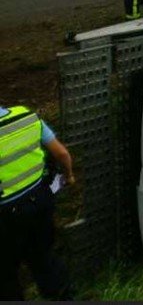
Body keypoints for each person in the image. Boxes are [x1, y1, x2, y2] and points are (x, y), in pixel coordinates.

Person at [0, 104, 75, 300]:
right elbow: (62, 154)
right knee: (44, 258)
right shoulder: (26, 117)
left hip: (6, 217)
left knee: (5, 274)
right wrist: (69, 176)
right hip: (40, 202)